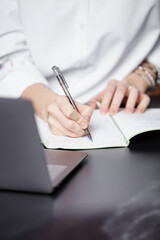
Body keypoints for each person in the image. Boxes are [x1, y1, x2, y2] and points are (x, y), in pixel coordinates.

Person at [0, 0, 160, 138]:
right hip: (34, 104)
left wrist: (143, 74)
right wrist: (44, 103)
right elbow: (8, 52)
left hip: (128, 108)